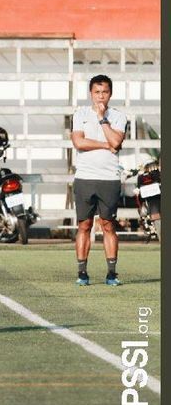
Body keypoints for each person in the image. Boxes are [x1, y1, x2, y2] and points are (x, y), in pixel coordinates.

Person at [71, 74, 127, 286]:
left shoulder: (118, 116)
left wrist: (103, 119)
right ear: (90, 93)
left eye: (104, 92)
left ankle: (112, 273)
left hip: (109, 178)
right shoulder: (80, 114)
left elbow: (116, 140)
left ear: (110, 94)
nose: (100, 96)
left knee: (108, 225)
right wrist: (105, 145)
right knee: (84, 225)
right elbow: (79, 142)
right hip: (85, 176)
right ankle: (82, 273)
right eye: (97, 92)